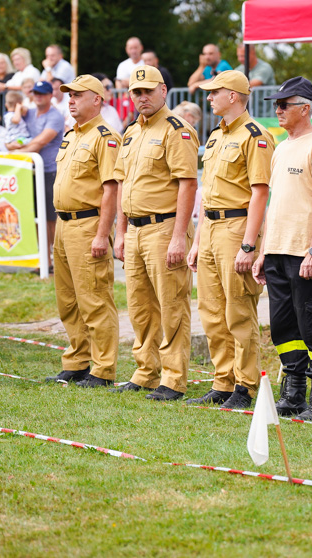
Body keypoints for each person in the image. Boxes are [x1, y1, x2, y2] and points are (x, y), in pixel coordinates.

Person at [184, 70, 273, 409]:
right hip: (210, 228)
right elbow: (207, 195)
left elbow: (259, 192)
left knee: (238, 310)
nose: (209, 98)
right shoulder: (215, 137)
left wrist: (249, 245)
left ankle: (245, 385)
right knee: (210, 310)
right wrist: (196, 242)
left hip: (236, 227)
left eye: (214, 92)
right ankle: (223, 381)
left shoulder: (255, 136)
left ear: (233, 95)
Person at [252, 77, 312, 422]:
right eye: (277, 104)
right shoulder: (282, 145)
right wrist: (263, 251)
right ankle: (293, 391)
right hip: (277, 251)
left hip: (305, 253)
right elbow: (277, 203)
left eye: (284, 104)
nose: (278, 110)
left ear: (305, 108)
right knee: (283, 327)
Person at [112, 65, 199, 400]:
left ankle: (173, 378)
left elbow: (187, 184)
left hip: (164, 228)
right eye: (137, 92)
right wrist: (120, 233)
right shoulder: (132, 132)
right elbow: (122, 184)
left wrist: (179, 236)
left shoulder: (177, 130)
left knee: (172, 304)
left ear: (163, 91)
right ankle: (146, 370)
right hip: (134, 230)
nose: (142, 97)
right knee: (139, 305)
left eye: (148, 91)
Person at [44, 74, 120, 387]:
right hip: (63, 224)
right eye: (69, 95)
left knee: (94, 297)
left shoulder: (105, 136)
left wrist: (102, 234)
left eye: (77, 95)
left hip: (88, 223)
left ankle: (103, 369)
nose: (70, 100)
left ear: (96, 99)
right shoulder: (71, 135)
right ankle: (77, 360)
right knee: (68, 299)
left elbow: (111, 189)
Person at [6, 81, 65, 264]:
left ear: (50, 96)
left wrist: (16, 152)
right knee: (36, 217)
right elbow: (12, 135)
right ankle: (44, 261)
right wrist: (11, 146)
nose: (38, 96)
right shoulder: (27, 113)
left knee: (51, 219)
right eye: (35, 93)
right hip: (31, 170)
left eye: (42, 93)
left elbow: (40, 142)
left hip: (50, 171)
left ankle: (59, 261)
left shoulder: (55, 116)